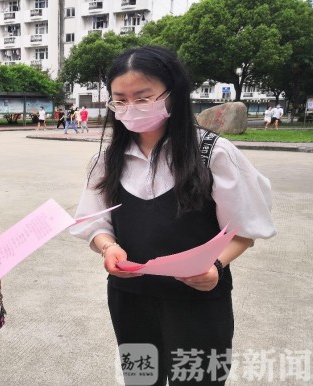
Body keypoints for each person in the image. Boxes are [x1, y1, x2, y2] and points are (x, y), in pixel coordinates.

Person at [70, 46, 275, 385]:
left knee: (199, 378)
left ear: (173, 94)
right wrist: (108, 248)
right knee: (141, 379)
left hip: (198, 299)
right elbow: (95, 221)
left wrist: (216, 267)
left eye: (142, 97)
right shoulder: (108, 160)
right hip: (130, 299)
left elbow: (244, 229)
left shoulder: (213, 154)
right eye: (119, 100)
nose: (130, 108)